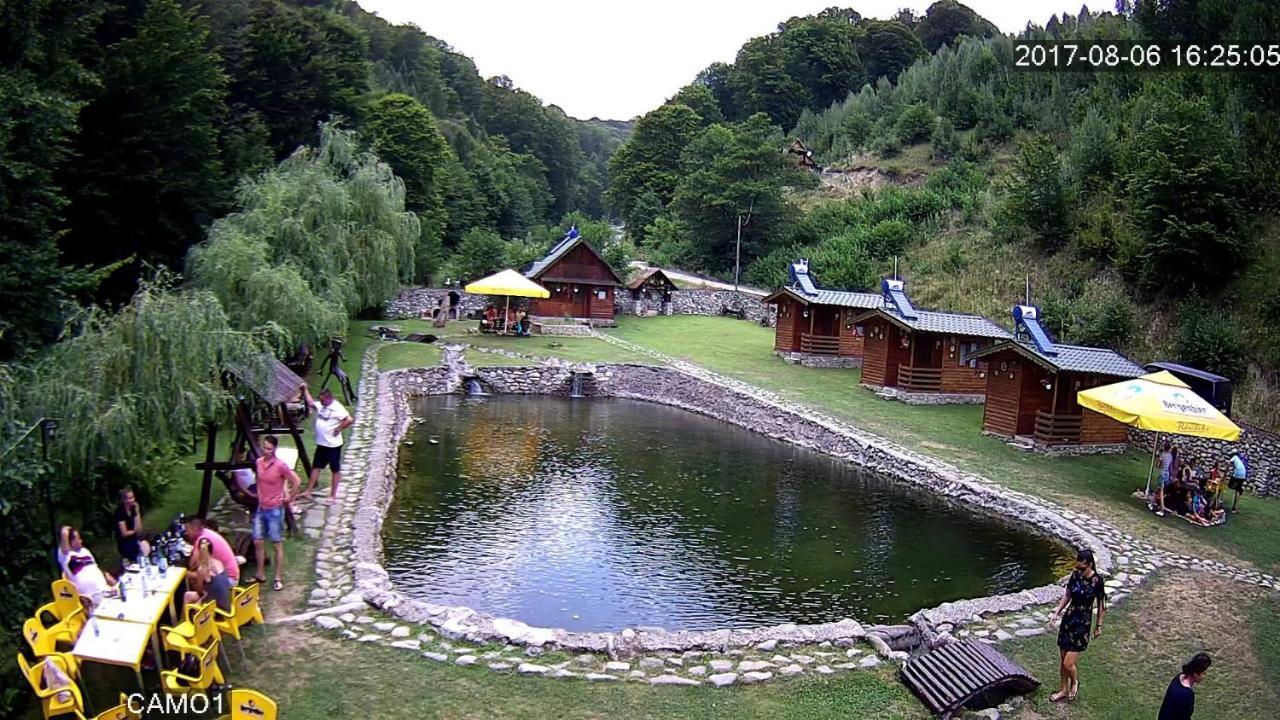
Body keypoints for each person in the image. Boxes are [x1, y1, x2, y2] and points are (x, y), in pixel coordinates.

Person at [1047, 548, 1106, 703]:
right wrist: (1057, 613)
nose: (1079, 570)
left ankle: (1074, 682)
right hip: (1069, 620)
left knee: (1068, 663)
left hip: (1082, 624)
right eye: (1077, 567)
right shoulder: (1075, 576)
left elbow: (1101, 605)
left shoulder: (1097, 582)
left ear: (1090, 565)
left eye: (1082, 568)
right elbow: (1067, 595)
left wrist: (1098, 626)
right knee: (1062, 661)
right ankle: (1063, 690)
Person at [253, 435, 299, 591]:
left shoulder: (280, 466)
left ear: (274, 450)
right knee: (258, 541)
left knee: (276, 543)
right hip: (261, 507)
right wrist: (260, 495)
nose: (266, 451)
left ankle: (278, 577)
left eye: (269, 449)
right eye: (264, 448)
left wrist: (289, 499)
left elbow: (296, 481)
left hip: (274, 510)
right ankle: (260, 574)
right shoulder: (258, 463)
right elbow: (258, 480)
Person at [300, 386, 352, 504]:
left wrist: (339, 429)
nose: (321, 402)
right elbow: (311, 403)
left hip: (333, 446)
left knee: (335, 469)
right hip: (322, 444)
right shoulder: (321, 406)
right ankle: (308, 491)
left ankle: (333, 495)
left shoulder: (337, 408)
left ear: (329, 399)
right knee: (316, 467)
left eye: (323, 400)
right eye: (320, 400)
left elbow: (349, 419)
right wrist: (305, 390)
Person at [58, 526, 117, 600]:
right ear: (71, 542)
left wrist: (107, 576)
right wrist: (66, 530)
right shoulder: (65, 556)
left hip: (105, 591)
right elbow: (64, 532)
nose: (81, 541)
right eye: (78, 539)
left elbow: (95, 567)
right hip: (89, 597)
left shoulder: (85, 551)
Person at [183, 515, 241, 585]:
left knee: (188, 575)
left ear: (195, 528)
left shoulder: (203, 540)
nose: (186, 533)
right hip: (232, 575)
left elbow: (192, 565)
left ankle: (196, 594)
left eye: (187, 529)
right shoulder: (207, 532)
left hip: (228, 580)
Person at [183, 538, 233, 612]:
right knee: (190, 595)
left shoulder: (202, 570)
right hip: (226, 604)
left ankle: (185, 620)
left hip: (216, 610)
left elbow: (199, 592)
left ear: (199, 551)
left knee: (187, 596)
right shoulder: (219, 563)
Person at [1158, 652, 1211, 720]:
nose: (1205, 676)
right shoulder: (1186, 694)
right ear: (1195, 674)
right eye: (1203, 673)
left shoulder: (1179, 677)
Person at [113, 487, 151, 565]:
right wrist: (135, 531)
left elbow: (139, 529)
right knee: (138, 549)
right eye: (129, 498)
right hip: (124, 542)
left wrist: (137, 512)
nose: (132, 500)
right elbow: (124, 533)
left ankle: (142, 561)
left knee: (148, 542)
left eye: (133, 497)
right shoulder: (120, 512)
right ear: (123, 500)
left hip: (134, 538)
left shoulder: (133, 509)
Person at [1155, 441, 1174, 517]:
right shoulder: (1170, 456)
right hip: (1167, 474)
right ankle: (1154, 503)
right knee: (1159, 490)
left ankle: (1162, 510)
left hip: (1162, 473)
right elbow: (1170, 467)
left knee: (1161, 491)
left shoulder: (1163, 455)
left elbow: (1157, 464)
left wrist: (1158, 465)